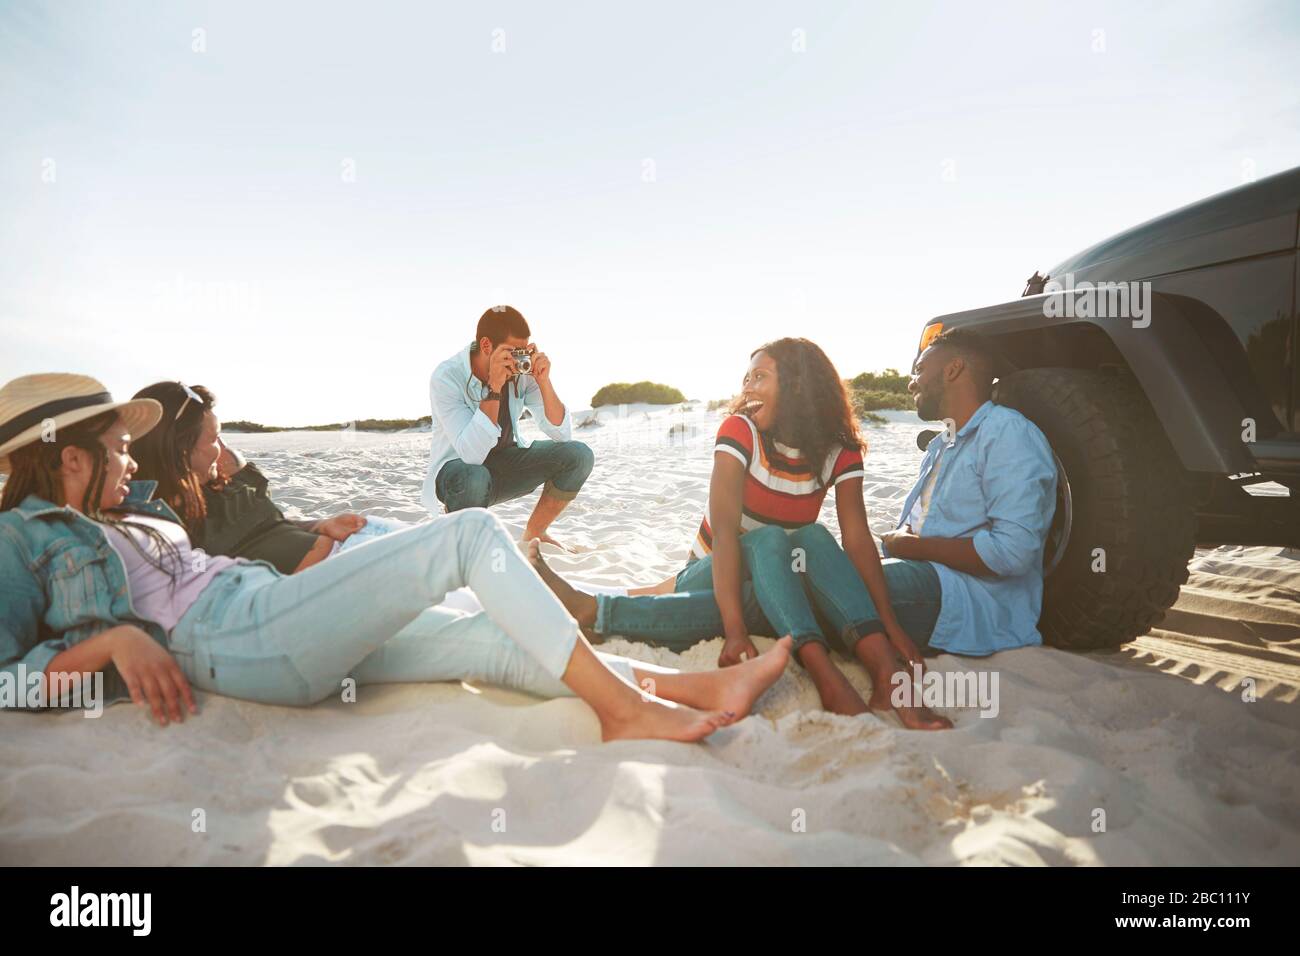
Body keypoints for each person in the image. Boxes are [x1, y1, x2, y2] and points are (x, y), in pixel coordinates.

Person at [0, 373, 791, 741]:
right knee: (473, 531)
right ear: (65, 458)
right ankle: (625, 714)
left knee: (488, 639)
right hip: (238, 636)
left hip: (262, 615)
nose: (129, 461)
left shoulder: (123, 515)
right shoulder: (20, 538)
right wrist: (115, 642)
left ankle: (694, 685)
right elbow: (8, 680)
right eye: (113, 448)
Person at [531, 338, 952, 727]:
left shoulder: (839, 452)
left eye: (760, 376)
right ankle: (824, 672)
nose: (748, 387)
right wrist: (734, 631)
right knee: (770, 541)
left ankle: (885, 671)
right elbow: (727, 530)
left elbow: (858, 541)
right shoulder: (740, 431)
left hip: (780, 579)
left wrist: (891, 627)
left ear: (798, 384)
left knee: (814, 537)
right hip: (718, 570)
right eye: (745, 377)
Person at [875, 327, 1058, 658]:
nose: (911, 381)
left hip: (966, 603)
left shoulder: (1006, 432)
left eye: (919, 369)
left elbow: (1012, 552)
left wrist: (913, 548)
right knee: (821, 570)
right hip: (925, 578)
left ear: (953, 369)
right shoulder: (942, 444)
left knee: (837, 583)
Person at [422, 306, 594, 551]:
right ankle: (462, 532)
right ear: (485, 345)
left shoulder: (522, 373)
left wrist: (543, 382)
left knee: (579, 455)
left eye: (523, 351)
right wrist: (494, 386)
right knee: (474, 477)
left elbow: (562, 433)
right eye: (512, 352)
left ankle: (536, 534)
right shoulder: (447, 376)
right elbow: (471, 456)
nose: (519, 360)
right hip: (458, 473)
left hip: (503, 465)